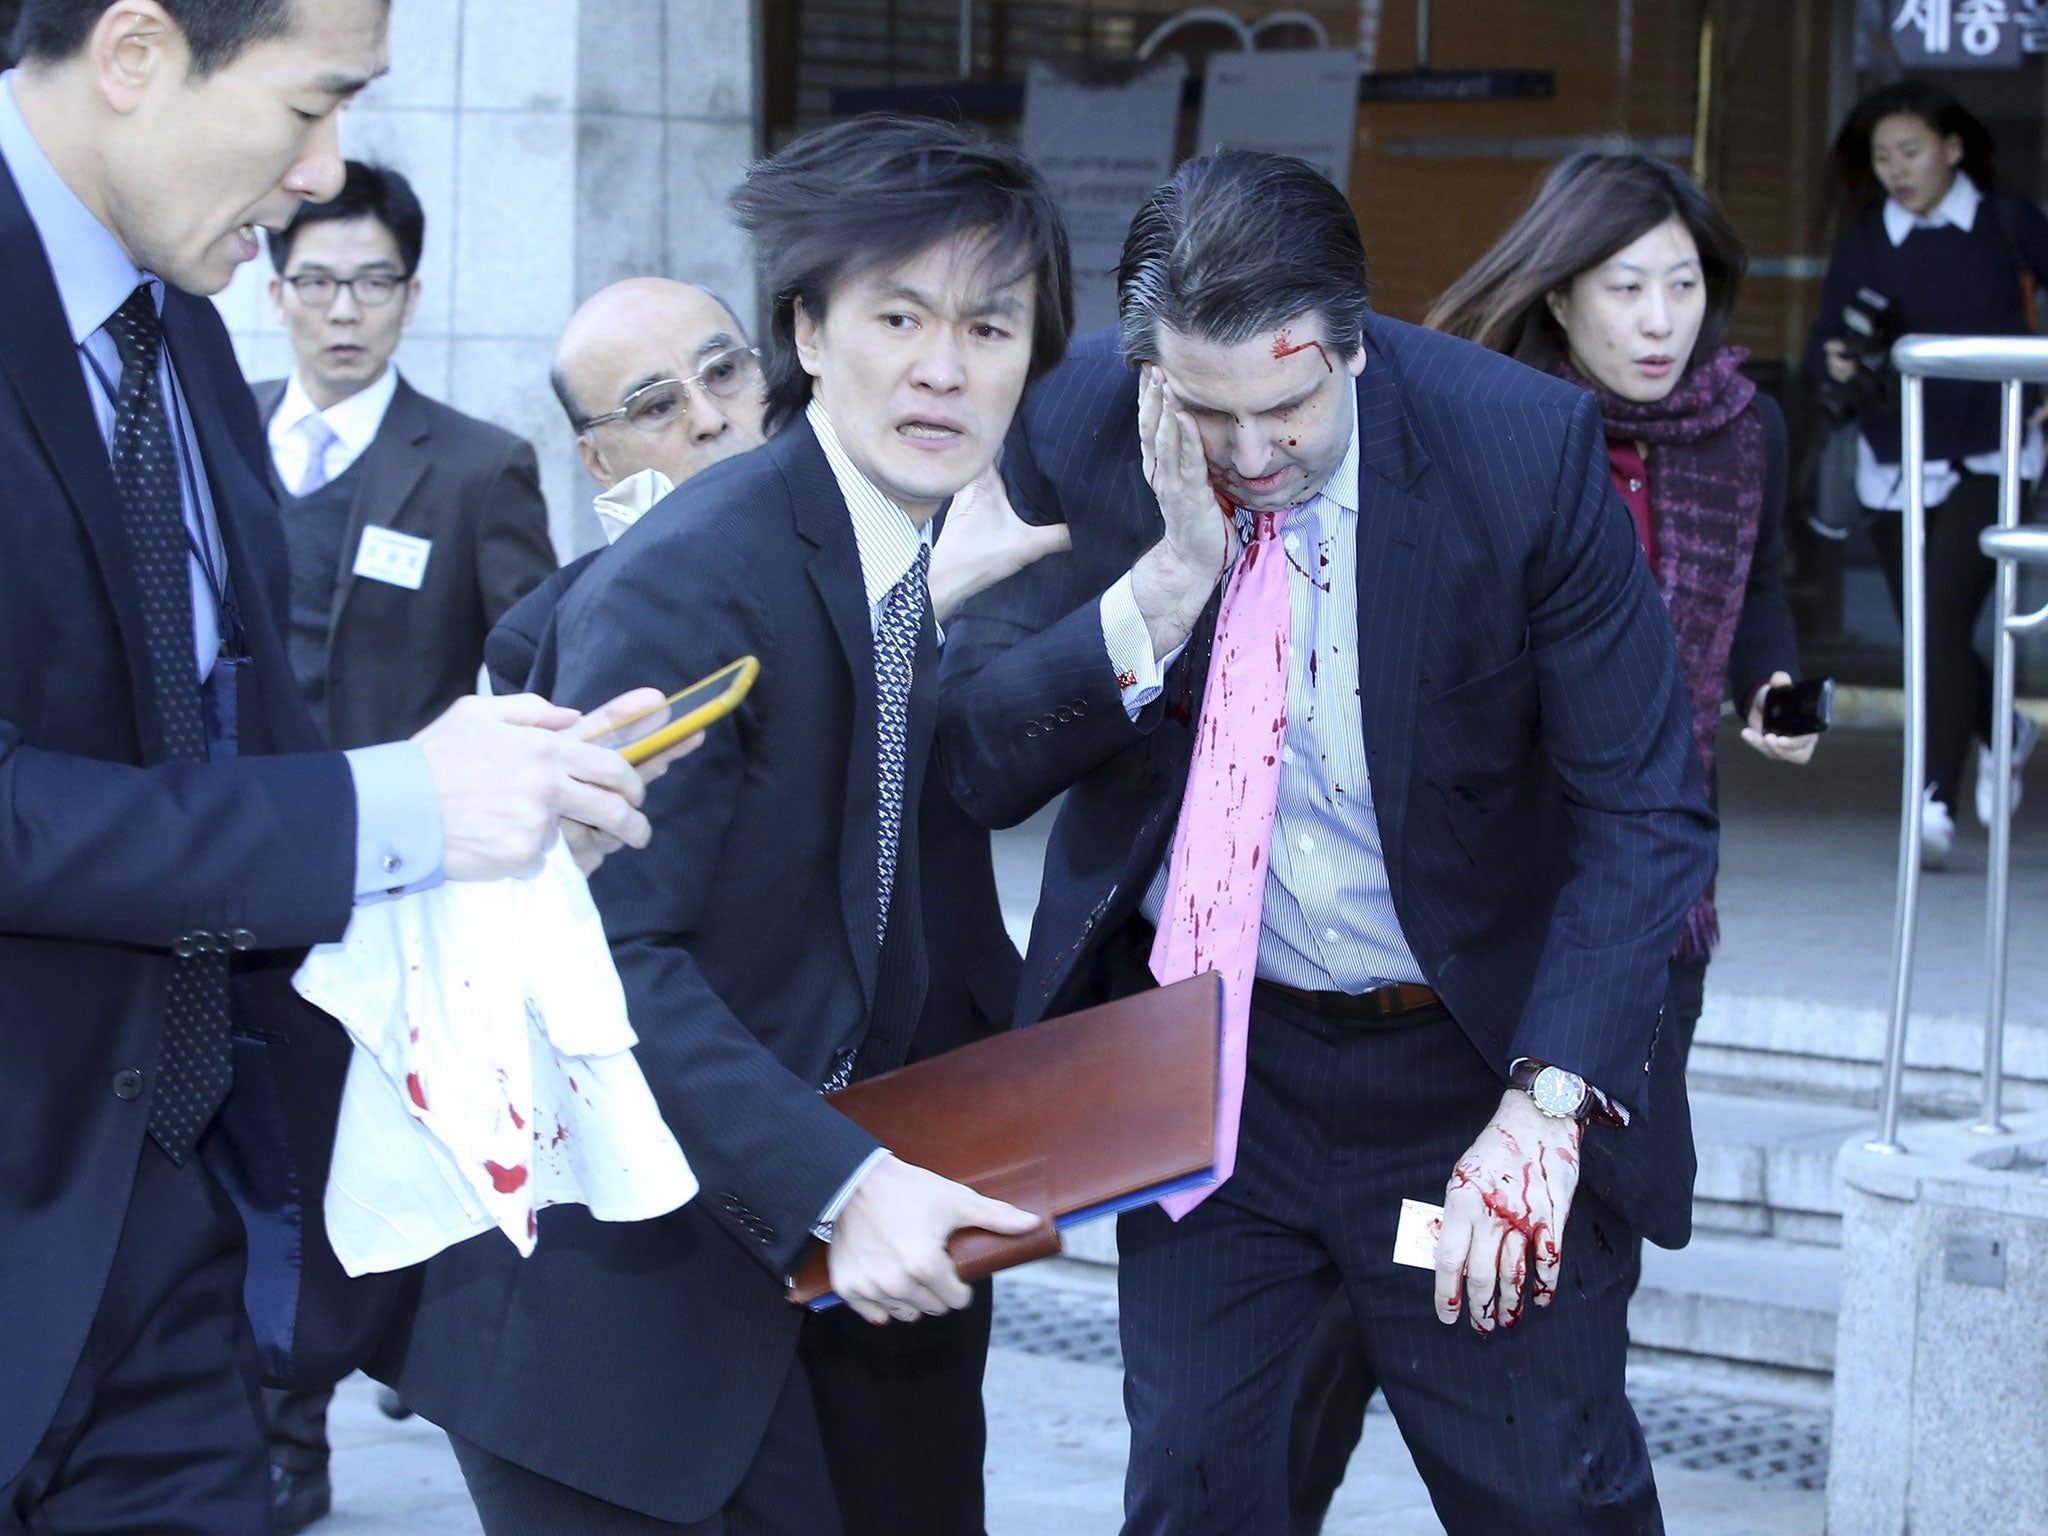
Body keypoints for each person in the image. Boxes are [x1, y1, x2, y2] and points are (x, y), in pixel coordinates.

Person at [939, 150, 1716, 1534]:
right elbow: (984, 755)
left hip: (1470, 1065)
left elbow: (1646, 810)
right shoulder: (1081, 426)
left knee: (1546, 1490)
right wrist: (1168, 583)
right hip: (1218, 1072)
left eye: (1286, 406)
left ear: (1352, 348)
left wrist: (1545, 1110)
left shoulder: (1515, 450)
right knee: (1195, 1487)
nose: (1246, 454)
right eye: (1205, 410)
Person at [0, 2, 674, 1532]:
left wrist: (478, 822)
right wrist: (394, 808)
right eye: (312, 106)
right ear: (135, 55)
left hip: (166, 1243)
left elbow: (230, 744)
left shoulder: (175, 342)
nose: (323, 173)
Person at [383, 115, 1074, 1535]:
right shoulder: (698, 578)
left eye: (991, 327)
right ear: (807, 335)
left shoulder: (883, 549)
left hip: (807, 1282)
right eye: (899, 316)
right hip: (612, 1335)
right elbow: (606, 958)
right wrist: (843, 1182)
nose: (945, 367)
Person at [1283, 149, 1820, 1534]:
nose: (1659, 321)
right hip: (1490, 912)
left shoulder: (1743, 426)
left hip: (1652, 908)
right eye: (1625, 287)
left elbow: (1757, 585)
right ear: (1559, 295)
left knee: (1581, 1243)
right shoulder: (1486, 434)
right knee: (1397, 1260)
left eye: (1684, 286)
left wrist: (1770, 680)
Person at [251, 156, 559, 1535]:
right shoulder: (222, 438)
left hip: (388, 891)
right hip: (226, 876)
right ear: (275, 291)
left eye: (372, 282)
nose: (342, 310)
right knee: (252, 1162)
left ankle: (306, 1417)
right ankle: (280, 1406)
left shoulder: (475, 464)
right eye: (315, 280)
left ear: (412, 295)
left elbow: (529, 656)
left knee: (347, 1163)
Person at [1808, 80, 2048, 867]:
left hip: (1993, 449)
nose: (1896, 170)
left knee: (1942, 612)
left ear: (1952, 147)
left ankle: (1934, 799)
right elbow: (1823, 348)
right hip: (1896, 456)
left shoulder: (2006, 225)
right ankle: (2003, 728)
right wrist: (1840, 364)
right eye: (1882, 157)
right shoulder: (1867, 238)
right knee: (1928, 629)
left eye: (1910, 151)